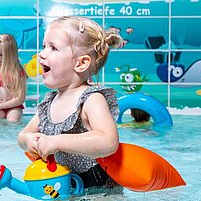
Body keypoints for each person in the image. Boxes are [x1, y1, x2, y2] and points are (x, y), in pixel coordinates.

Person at [17, 16, 124, 189]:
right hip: (65, 184)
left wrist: (57, 141)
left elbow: (108, 142)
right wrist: (29, 139)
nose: (42, 54)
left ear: (81, 63)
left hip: (96, 187)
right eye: (44, 46)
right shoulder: (50, 103)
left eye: (53, 48)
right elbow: (22, 136)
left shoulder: (90, 99)